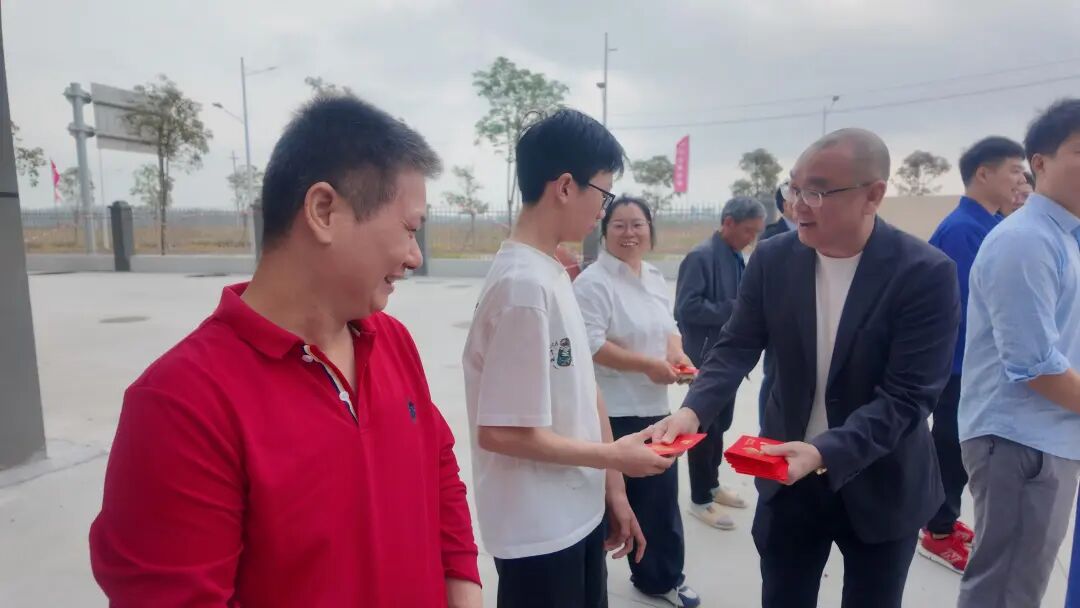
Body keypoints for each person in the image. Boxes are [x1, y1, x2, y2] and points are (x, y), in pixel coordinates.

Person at [89, 96, 482, 607]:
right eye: (409, 229)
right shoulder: (180, 404)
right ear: (323, 211)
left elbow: (438, 468)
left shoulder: (393, 342)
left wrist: (464, 589)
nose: (415, 256)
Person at [653, 128, 960, 608]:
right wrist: (693, 411)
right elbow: (736, 345)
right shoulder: (774, 259)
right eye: (793, 189)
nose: (798, 205)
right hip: (786, 475)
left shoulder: (924, 273)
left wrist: (822, 452)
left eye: (816, 192)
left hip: (880, 479)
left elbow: (908, 398)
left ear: (873, 195)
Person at [462, 108, 674, 608]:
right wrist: (614, 457)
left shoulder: (553, 272)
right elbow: (502, 432)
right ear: (564, 187)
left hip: (576, 513)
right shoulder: (522, 288)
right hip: (538, 532)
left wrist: (613, 489)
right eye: (603, 194)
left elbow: (586, 387)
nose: (603, 210)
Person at [956, 98, 1080, 608]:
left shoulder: (1064, 238)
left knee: (1019, 587)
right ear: (1041, 163)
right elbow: (1035, 366)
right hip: (1021, 442)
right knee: (1005, 591)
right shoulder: (1027, 240)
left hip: (1048, 436)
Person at [574, 196, 701, 608]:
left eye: (638, 225)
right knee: (604, 507)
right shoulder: (593, 283)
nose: (629, 233)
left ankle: (660, 578)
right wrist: (647, 365)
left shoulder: (653, 275)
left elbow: (670, 327)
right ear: (604, 232)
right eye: (619, 225)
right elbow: (590, 344)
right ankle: (588, 590)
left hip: (655, 409)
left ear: (650, 230)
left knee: (659, 502)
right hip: (611, 412)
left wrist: (676, 355)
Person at [918, 136, 1026, 574]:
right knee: (950, 445)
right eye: (1014, 170)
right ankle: (937, 531)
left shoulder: (988, 224)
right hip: (957, 365)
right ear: (983, 173)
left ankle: (943, 519)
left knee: (957, 446)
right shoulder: (964, 229)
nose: (1021, 179)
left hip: (971, 365)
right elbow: (971, 309)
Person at [673, 196, 765, 530]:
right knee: (702, 430)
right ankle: (700, 500)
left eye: (756, 232)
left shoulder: (736, 256)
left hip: (729, 359)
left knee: (720, 427)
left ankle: (712, 485)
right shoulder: (701, 257)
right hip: (706, 359)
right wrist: (735, 309)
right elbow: (685, 308)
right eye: (748, 231)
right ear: (728, 222)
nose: (751, 239)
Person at [757, 186, 791, 427]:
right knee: (775, 379)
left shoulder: (823, 235)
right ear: (785, 205)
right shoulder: (770, 238)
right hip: (780, 323)